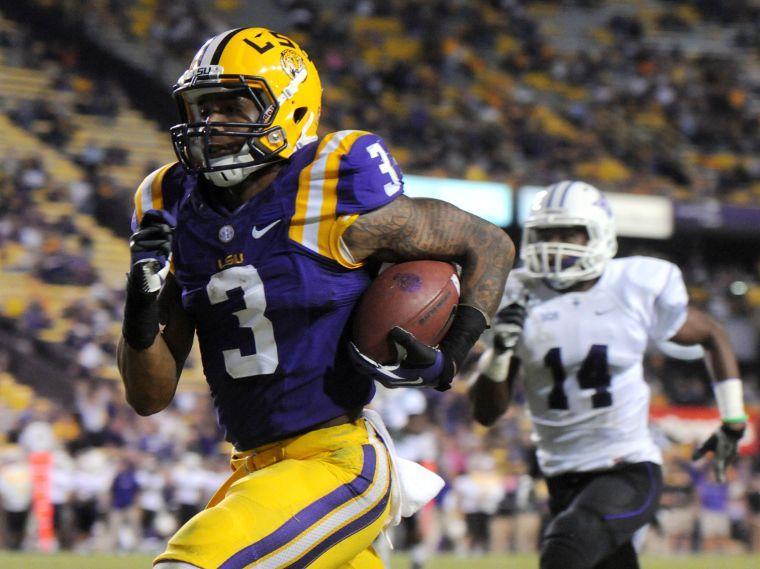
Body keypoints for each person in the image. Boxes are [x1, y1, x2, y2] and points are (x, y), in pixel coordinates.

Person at [117, 27, 513, 569]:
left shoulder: (331, 183)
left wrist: (455, 352)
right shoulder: (170, 202)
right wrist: (140, 309)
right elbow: (149, 396)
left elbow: (487, 242)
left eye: (232, 106)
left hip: (337, 462)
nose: (210, 125)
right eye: (202, 110)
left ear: (290, 108)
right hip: (254, 471)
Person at [469, 180, 747, 569]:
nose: (557, 244)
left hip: (627, 469)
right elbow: (486, 412)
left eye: (570, 232)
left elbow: (712, 334)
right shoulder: (517, 294)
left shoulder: (633, 284)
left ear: (599, 234)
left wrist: (733, 420)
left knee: (564, 550)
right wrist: (499, 353)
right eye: (547, 233)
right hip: (563, 476)